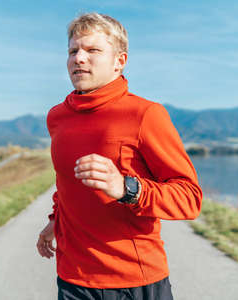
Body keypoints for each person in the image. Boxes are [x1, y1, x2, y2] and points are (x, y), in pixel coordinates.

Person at [36, 12, 203, 300]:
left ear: (119, 61)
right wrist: (56, 220)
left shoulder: (146, 114)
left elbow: (190, 199)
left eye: (93, 50)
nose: (79, 58)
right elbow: (66, 182)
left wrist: (127, 188)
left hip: (133, 281)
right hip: (72, 277)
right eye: (73, 50)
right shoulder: (57, 117)